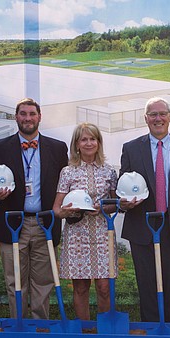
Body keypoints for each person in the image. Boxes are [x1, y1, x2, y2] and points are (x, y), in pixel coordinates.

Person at [0, 98, 68, 320]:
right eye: (23, 114)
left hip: (44, 224)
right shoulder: (0, 148)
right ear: (16, 117)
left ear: (39, 117)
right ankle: (19, 327)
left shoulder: (57, 148)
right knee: (15, 282)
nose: (27, 118)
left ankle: (40, 329)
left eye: (32, 114)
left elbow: (66, 183)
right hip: (12, 223)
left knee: (43, 282)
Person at [119, 97, 170, 323]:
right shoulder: (131, 149)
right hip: (142, 226)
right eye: (153, 115)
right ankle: (151, 335)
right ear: (145, 119)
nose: (158, 119)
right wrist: (124, 203)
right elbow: (122, 187)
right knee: (147, 285)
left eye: (162, 114)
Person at [53, 123, 118, 320]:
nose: (89, 143)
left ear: (99, 143)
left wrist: (103, 208)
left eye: (93, 139)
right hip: (77, 236)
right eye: (84, 139)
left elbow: (115, 204)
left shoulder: (109, 171)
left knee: (104, 286)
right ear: (77, 144)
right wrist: (68, 211)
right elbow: (57, 209)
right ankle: (85, 331)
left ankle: (105, 332)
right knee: (81, 287)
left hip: (102, 234)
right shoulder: (68, 172)